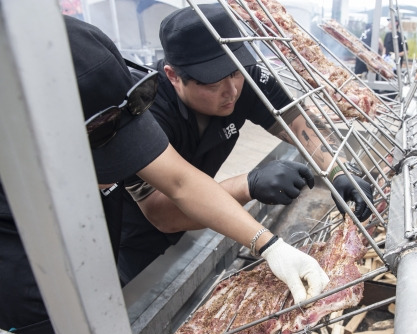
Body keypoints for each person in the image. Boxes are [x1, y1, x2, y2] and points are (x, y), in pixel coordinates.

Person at [0, 15, 329, 334]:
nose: (231, 89)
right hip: (119, 252)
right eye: (101, 166)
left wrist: (269, 245)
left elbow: (179, 181)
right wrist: (249, 184)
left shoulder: (114, 99)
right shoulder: (20, 250)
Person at [117, 3, 374, 284]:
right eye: (213, 83)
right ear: (173, 76)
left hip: (191, 223)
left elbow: (295, 118)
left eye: (234, 72)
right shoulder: (144, 112)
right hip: (128, 241)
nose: (232, 91)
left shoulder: (242, 78)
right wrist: (248, 185)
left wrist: (339, 169)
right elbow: (163, 208)